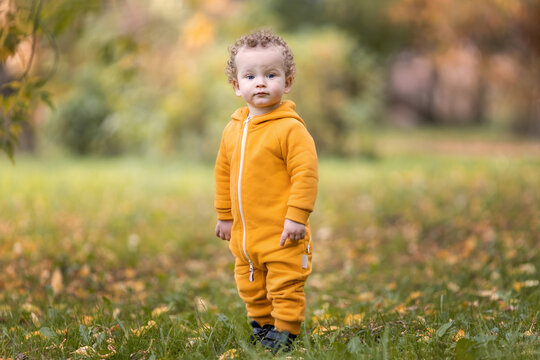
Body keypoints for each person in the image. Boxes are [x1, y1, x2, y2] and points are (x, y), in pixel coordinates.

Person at [214, 29, 318, 353]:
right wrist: (225, 216)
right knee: (251, 284)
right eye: (250, 75)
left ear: (286, 83)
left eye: (270, 74)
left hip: (283, 232)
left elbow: (306, 173)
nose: (260, 82)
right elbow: (223, 172)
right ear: (236, 86)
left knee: (284, 284)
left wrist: (297, 217)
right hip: (246, 236)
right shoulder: (233, 129)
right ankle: (263, 327)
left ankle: (286, 332)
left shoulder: (290, 128)